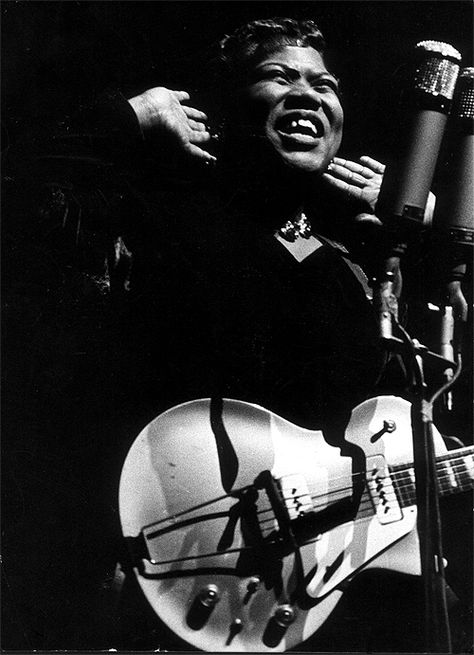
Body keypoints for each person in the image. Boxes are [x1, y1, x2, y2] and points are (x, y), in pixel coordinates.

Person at [3, 16, 471, 653]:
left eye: (325, 84)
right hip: (174, 560)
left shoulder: (342, 262)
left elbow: (397, 411)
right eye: (279, 76)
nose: (308, 94)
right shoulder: (157, 210)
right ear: (223, 108)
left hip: (309, 588)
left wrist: (435, 235)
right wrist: (124, 118)